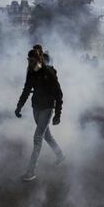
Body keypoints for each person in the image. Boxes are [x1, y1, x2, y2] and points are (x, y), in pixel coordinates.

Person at [15, 48, 65, 182]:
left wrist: (57, 114)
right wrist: (19, 106)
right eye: (28, 60)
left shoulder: (48, 72)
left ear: (39, 60)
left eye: (32, 61)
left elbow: (59, 94)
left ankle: (30, 171)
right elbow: (26, 90)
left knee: (38, 138)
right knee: (46, 135)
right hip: (36, 107)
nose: (30, 63)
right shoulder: (31, 73)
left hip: (47, 108)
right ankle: (60, 156)